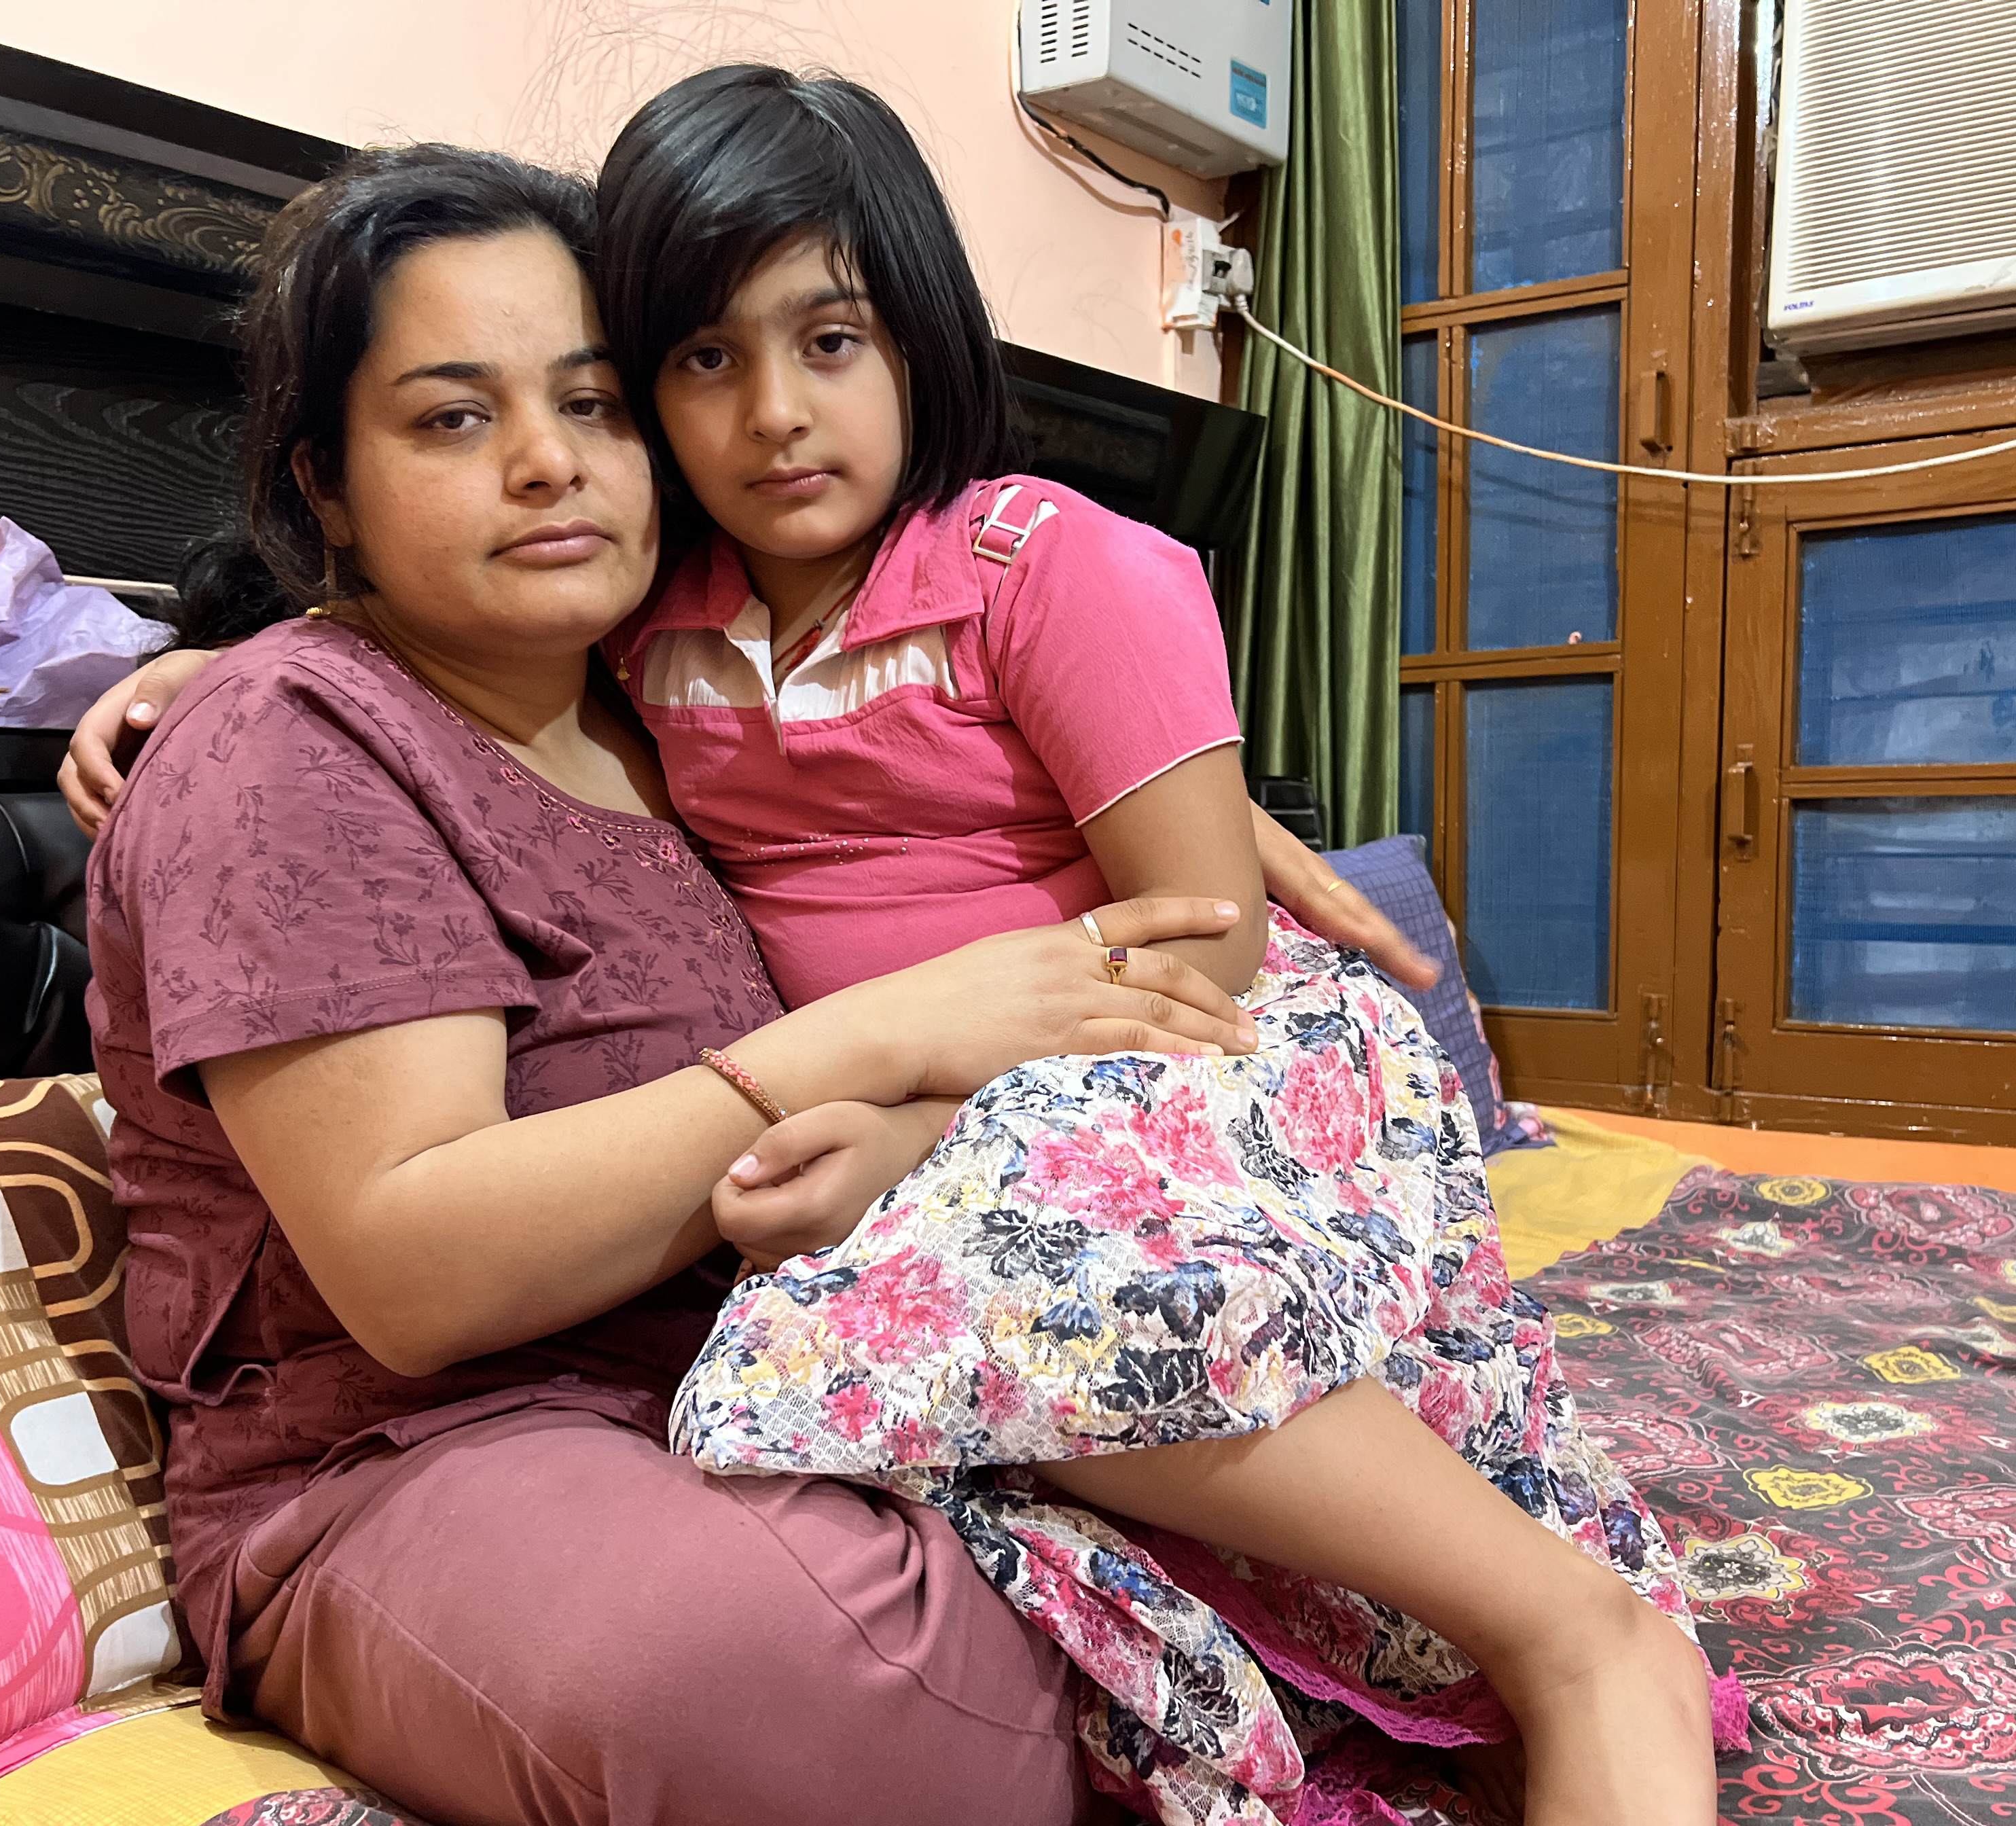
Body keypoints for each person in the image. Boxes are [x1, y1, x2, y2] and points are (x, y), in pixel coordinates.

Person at [79, 141, 1411, 1826]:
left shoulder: (665, 698)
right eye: (451, 419)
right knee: (788, 1669)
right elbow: (415, 1270)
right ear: (323, 485)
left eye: (598, 402)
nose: (552, 466)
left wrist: (1186, 821)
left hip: (789, 1366)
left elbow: (955, 805)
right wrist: (865, 1039)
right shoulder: (293, 745)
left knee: (1258, 1412)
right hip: (421, 1454)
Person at [566, 67, 1733, 1826]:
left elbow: (1212, 954)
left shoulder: (1047, 563)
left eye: (831, 340)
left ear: (921, 337)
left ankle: (1577, 1633)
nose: (774, 417)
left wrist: (924, 1134)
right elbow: (423, 646)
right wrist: (188, 670)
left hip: (1188, 1054)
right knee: (773, 1394)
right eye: (705, 359)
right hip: (951, 1102)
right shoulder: (653, 624)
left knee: (918, 1283)